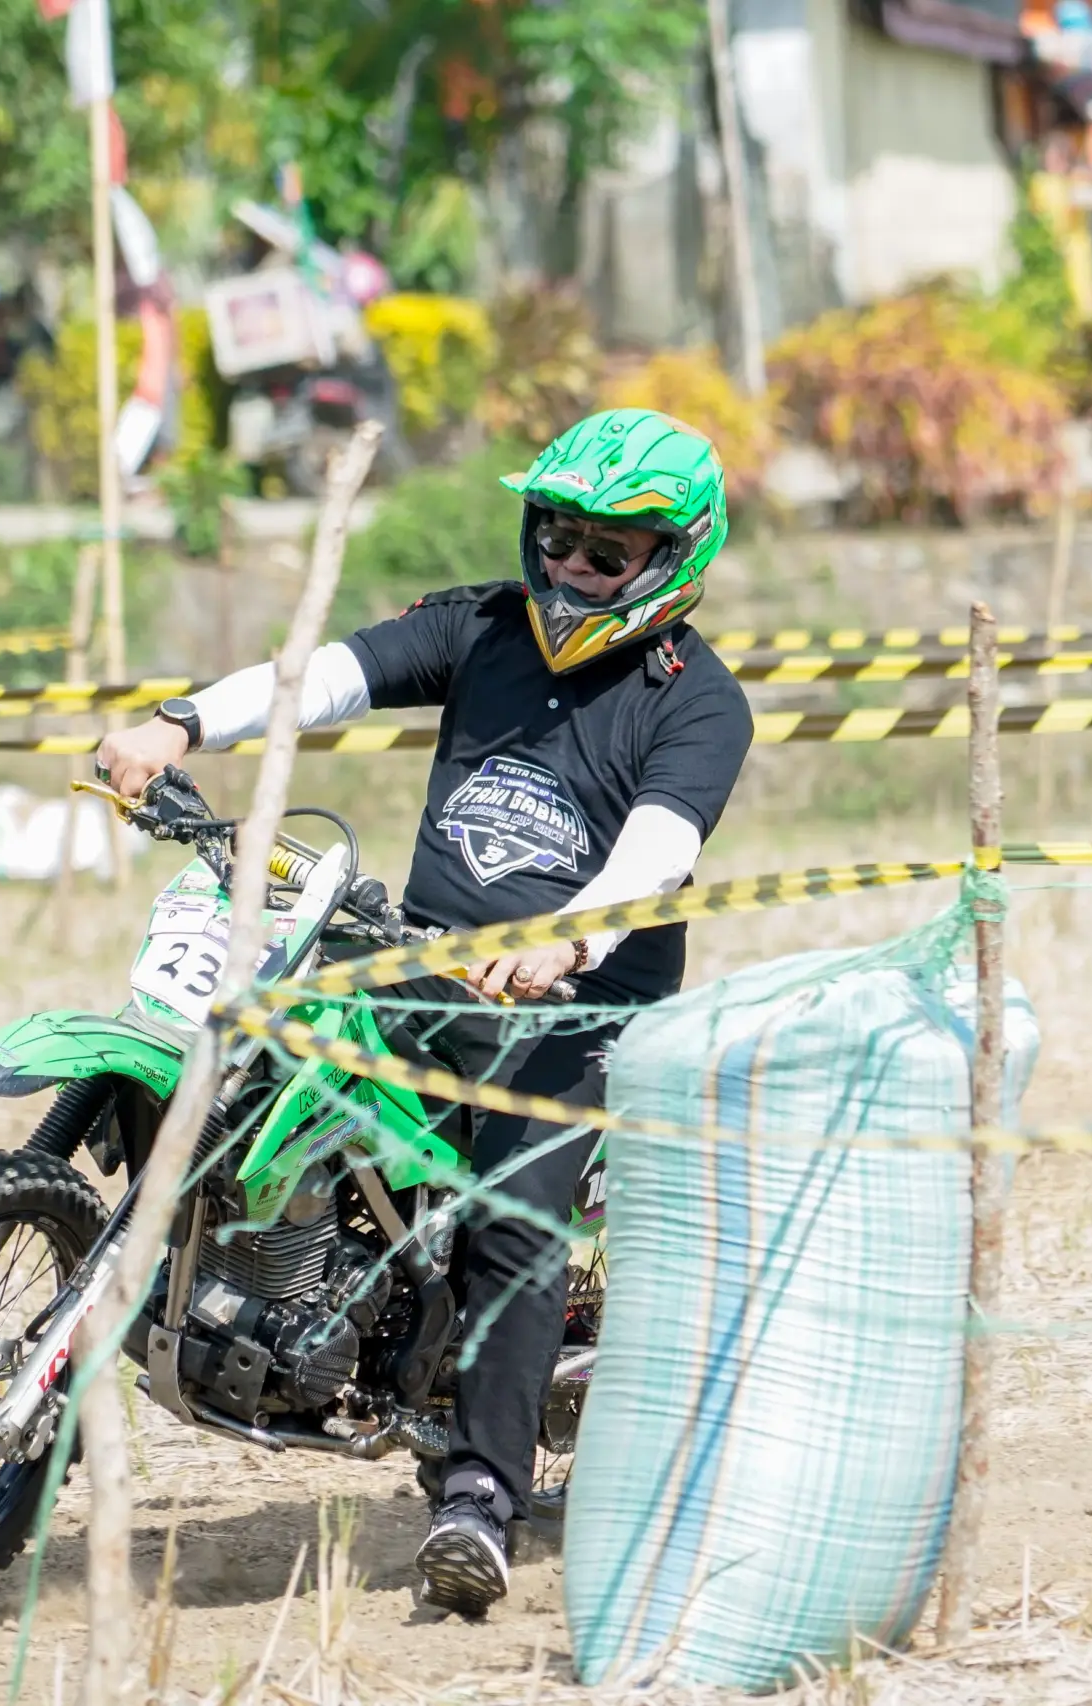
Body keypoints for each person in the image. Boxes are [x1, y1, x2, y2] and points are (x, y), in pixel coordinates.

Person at [96, 407, 754, 1616]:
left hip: (576, 1007)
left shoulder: (698, 702)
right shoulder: (483, 626)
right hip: (421, 957)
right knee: (251, 1052)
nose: (570, 566)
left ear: (673, 557)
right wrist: (179, 721)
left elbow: (657, 849)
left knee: (513, 1214)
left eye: (606, 551)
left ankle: (479, 1497)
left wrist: (568, 940)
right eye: (555, 535)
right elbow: (326, 677)